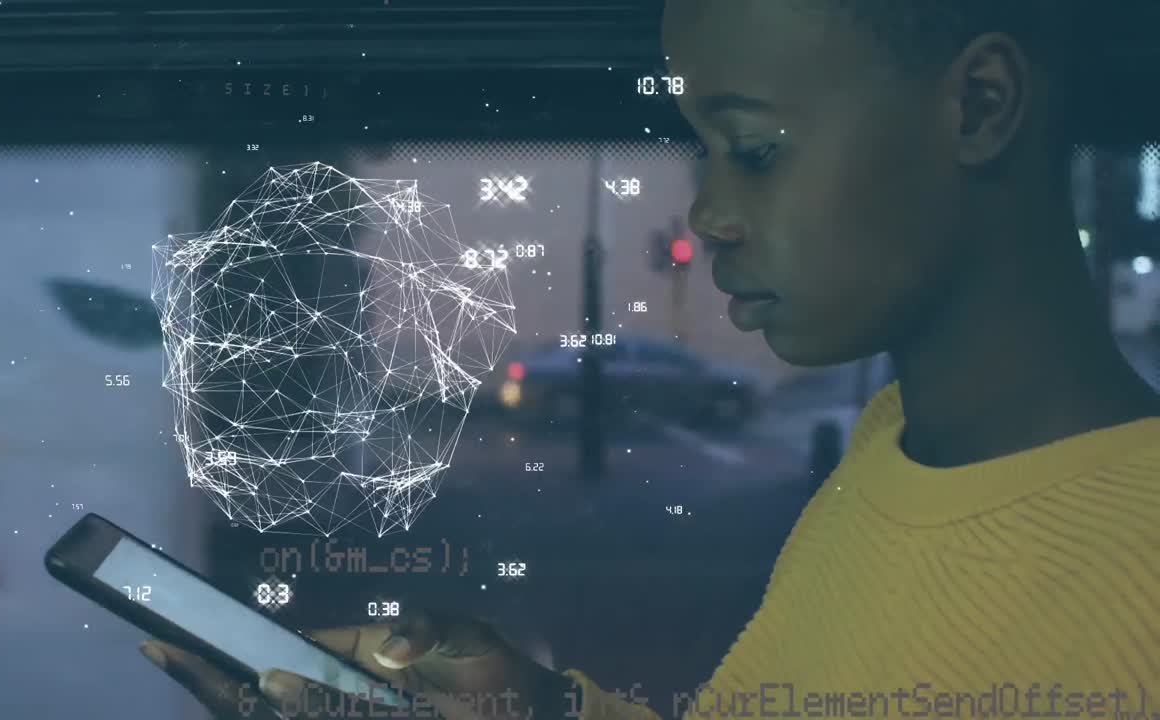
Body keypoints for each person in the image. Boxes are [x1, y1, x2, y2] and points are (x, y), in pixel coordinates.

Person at [140, 1, 1160, 718]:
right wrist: (537, 713)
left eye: (755, 149)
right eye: (699, 156)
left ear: (978, 103)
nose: (709, 215)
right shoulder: (890, 454)